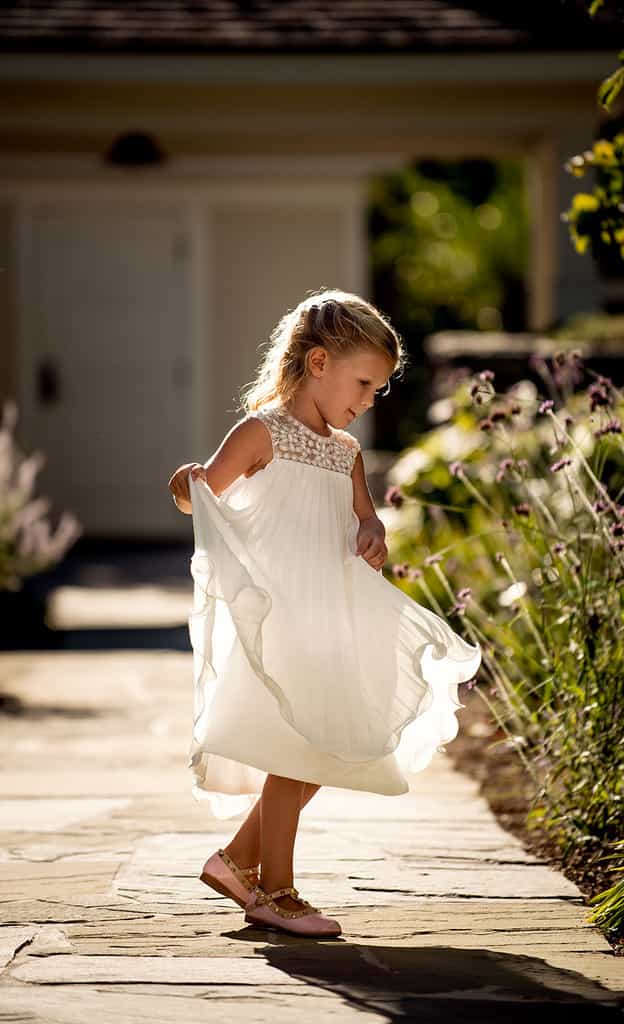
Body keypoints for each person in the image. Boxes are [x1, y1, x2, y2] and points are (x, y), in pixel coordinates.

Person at [167, 288, 481, 938]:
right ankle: (273, 892)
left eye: (378, 389)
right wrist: (185, 488)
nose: (368, 400)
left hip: (331, 617)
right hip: (282, 618)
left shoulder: (344, 451)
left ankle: (234, 861)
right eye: (363, 383)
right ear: (316, 364)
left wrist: (373, 533)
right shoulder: (261, 432)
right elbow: (207, 500)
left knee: (328, 749)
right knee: (297, 754)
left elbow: (364, 515)